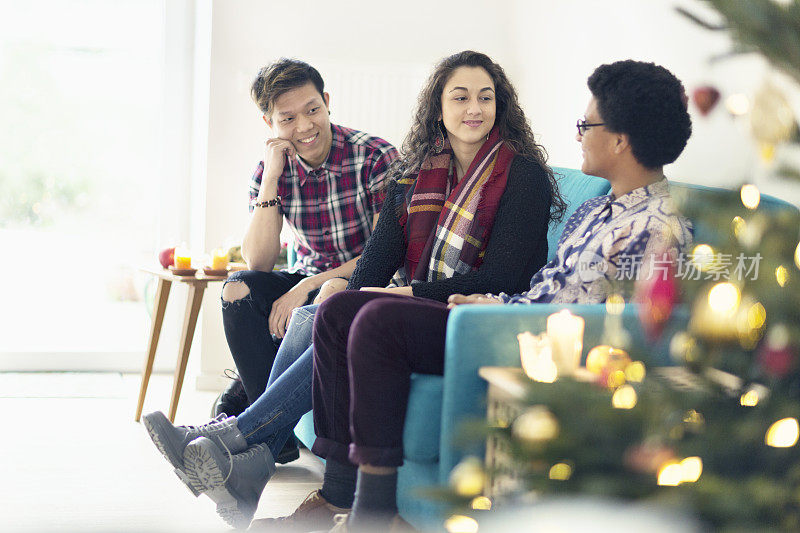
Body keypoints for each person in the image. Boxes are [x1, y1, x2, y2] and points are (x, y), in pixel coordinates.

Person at [142, 50, 564, 531]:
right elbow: (377, 260)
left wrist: (390, 295)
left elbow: (503, 278)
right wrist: (346, 293)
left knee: (343, 310)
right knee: (326, 310)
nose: (474, 108)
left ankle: (240, 441)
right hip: (417, 304)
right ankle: (254, 456)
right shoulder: (417, 172)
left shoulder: (521, 174)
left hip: (477, 313)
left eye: (486, 98)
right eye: (460, 97)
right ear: (438, 108)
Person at [308, 59, 693, 532]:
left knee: (376, 321)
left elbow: (627, 322)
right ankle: (341, 490)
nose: (577, 136)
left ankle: (372, 513)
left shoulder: (656, 227)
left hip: (526, 339)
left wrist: (500, 310)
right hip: (507, 317)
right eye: (460, 97)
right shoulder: (598, 208)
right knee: (340, 308)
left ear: (619, 140)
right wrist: (495, 305)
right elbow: (548, 287)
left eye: (585, 125)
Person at [214, 58, 399, 422]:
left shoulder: (376, 157)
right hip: (309, 277)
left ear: (326, 101)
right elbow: (259, 263)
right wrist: (271, 179)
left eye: (312, 110)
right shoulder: (271, 169)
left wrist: (309, 286)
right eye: (287, 119)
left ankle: (246, 408)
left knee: (327, 287)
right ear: (270, 123)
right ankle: (260, 417)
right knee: (237, 290)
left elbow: (385, 256)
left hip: (363, 280)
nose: (304, 126)